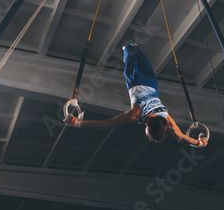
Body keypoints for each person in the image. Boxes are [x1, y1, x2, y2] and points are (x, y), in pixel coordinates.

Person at [64, 44, 207, 147]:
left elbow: (182, 138)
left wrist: (200, 142)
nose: (149, 139)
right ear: (148, 128)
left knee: (136, 50)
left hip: (152, 83)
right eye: (150, 137)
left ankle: (133, 48)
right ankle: (128, 48)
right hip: (135, 81)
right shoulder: (136, 115)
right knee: (129, 51)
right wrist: (77, 123)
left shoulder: (165, 119)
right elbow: (107, 124)